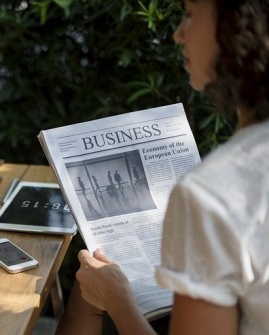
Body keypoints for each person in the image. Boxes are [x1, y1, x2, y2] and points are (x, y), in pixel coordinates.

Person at [55, 0, 269, 334]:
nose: (178, 34)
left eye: (190, 13)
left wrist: (117, 298)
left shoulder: (213, 192)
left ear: (238, 27)